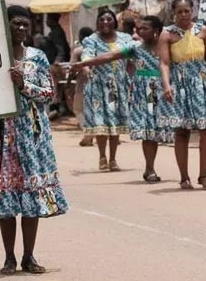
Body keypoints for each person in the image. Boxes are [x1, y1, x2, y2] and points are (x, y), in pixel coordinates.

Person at [0, 5, 68, 274]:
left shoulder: (37, 57)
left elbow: (49, 94)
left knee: (31, 195)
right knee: (5, 195)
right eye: (16, 23)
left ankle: (29, 256)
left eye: (26, 24)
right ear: (6, 25)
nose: (22, 28)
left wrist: (24, 84)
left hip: (31, 135)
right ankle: (9, 257)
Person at [72, 16, 171, 183]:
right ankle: (150, 168)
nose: (140, 31)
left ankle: (181, 173)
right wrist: (84, 64)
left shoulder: (167, 47)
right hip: (143, 94)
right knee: (148, 132)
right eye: (140, 28)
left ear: (156, 31)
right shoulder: (134, 47)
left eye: (145, 28)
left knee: (158, 132)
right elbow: (110, 56)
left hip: (162, 92)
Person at [159, 0, 206, 190]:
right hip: (180, 85)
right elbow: (164, 63)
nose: (184, 14)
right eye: (179, 11)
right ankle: (184, 177)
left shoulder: (203, 31)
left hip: (202, 83)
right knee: (181, 131)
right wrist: (166, 85)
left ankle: (203, 176)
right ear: (174, 13)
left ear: (192, 11)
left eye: (187, 11)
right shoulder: (167, 34)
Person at [80, 10, 133, 171]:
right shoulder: (91, 40)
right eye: (101, 19)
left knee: (115, 122)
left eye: (109, 19)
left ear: (114, 22)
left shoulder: (125, 38)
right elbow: (86, 57)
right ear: (97, 22)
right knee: (100, 122)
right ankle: (102, 156)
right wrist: (86, 69)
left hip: (119, 86)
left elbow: (133, 59)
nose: (105, 22)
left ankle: (113, 159)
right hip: (98, 86)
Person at [69, 27, 94, 147]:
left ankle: (88, 133)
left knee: (78, 109)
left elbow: (72, 68)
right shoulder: (98, 49)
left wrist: (68, 82)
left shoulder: (78, 51)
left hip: (82, 85)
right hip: (98, 84)